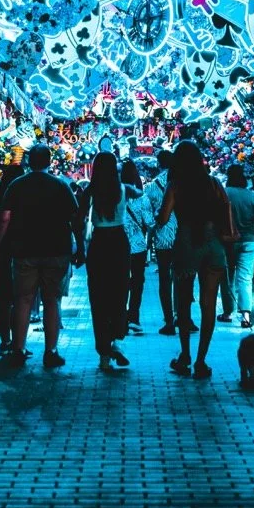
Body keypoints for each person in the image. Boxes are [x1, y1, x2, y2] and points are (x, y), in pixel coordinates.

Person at [156, 140, 236, 380]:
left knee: (183, 301)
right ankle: (202, 360)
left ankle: (185, 356)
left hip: (187, 242)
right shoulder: (213, 183)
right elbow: (225, 207)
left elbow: (163, 217)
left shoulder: (175, 185)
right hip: (213, 244)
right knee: (208, 303)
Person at [0, 144, 79, 370]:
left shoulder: (17, 186)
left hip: (24, 250)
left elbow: (4, 218)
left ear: (28, 162)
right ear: (49, 161)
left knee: (23, 300)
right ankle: (51, 351)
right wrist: (80, 247)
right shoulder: (60, 185)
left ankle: (18, 348)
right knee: (51, 300)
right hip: (56, 250)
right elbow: (75, 217)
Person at [76, 150, 141, 372]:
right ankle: (118, 341)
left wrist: (79, 247)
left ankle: (104, 352)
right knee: (120, 292)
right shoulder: (124, 189)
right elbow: (139, 191)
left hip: (99, 243)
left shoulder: (90, 191)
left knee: (98, 296)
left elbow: (78, 219)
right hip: (120, 243)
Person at [0, 162, 26, 354]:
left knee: (4, 297)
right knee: (20, 298)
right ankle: (18, 342)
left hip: (5, 249)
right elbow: (4, 219)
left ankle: (6, 340)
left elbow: (1, 221)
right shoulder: (22, 194)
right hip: (20, 247)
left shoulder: (1, 194)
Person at [220, 165, 254, 329]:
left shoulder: (224, 193)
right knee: (245, 278)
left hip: (228, 243)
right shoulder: (251, 195)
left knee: (227, 278)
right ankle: (246, 316)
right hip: (249, 241)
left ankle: (227, 312)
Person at [144, 149, 180, 335]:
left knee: (165, 279)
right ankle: (184, 317)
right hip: (182, 236)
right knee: (183, 277)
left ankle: (169, 320)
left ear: (158, 164)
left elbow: (148, 215)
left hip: (163, 238)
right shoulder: (184, 182)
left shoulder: (152, 187)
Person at [120, 158, 151, 334]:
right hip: (138, 246)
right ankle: (134, 317)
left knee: (120, 282)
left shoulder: (115, 196)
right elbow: (149, 222)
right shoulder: (142, 198)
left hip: (119, 245)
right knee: (137, 281)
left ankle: (121, 318)